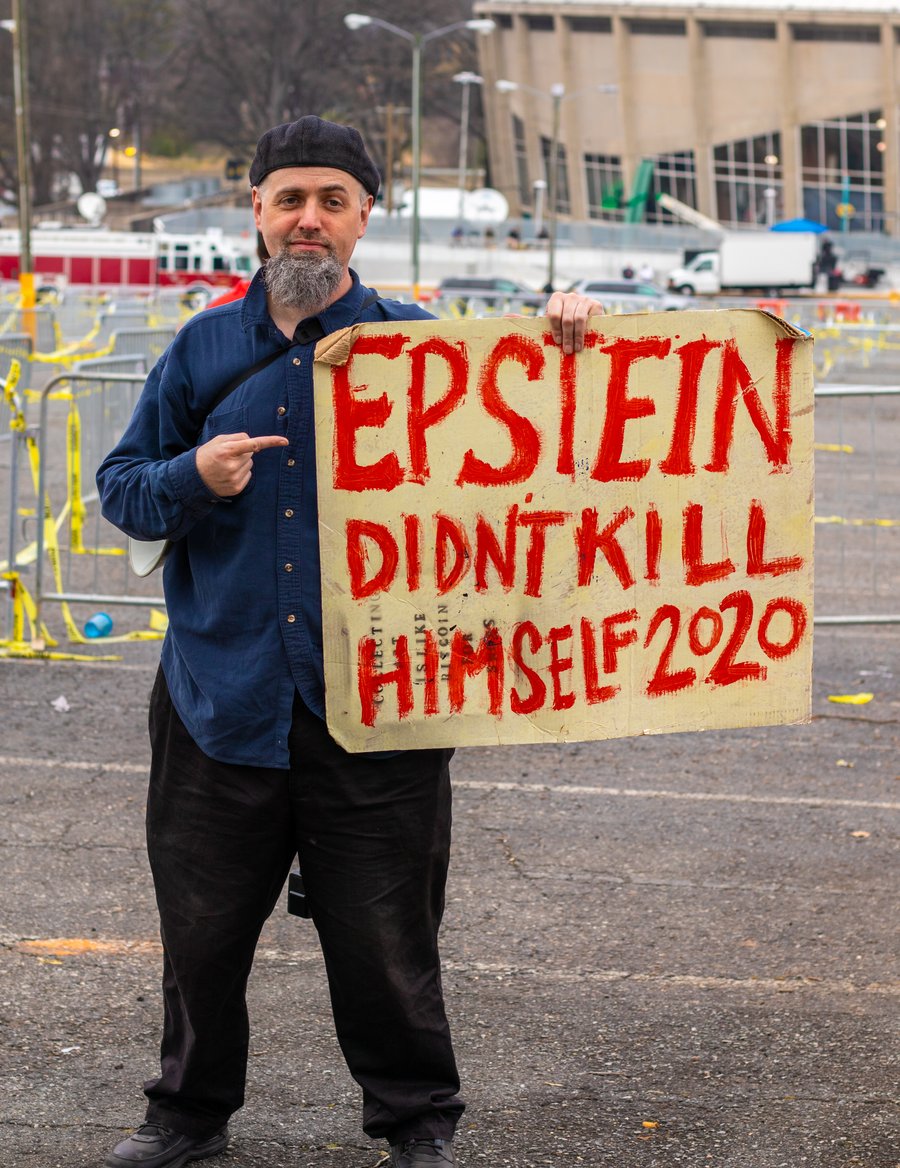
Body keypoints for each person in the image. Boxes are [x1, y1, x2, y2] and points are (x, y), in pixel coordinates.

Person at [96, 115, 602, 1168]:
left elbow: (549, 472)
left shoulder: (430, 352)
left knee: (388, 942)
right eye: (289, 199)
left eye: (333, 198)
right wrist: (195, 477)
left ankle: (418, 1121)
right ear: (258, 214)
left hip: (381, 702)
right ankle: (187, 1118)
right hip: (218, 698)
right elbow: (124, 494)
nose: (309, 220)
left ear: (368, 214)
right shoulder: (200, 349)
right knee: (201, 938)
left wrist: (573, 354)